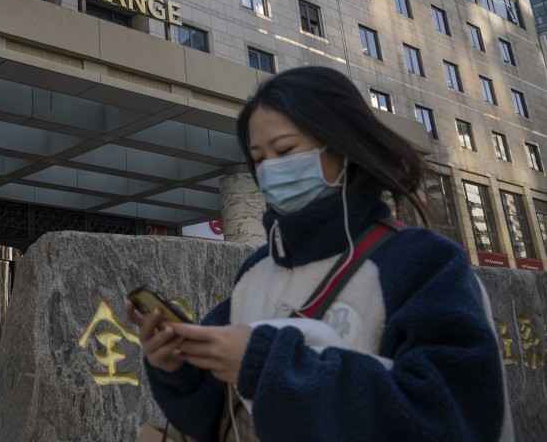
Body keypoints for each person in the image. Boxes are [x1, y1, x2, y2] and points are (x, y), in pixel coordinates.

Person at [125, 66, 512, 442]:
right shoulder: (256, 272)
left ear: (343, 147)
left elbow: (454, 415)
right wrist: (177, 369)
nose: (270, 170)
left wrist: (270, 366)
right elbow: (213, 416)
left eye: (285, 150)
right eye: (259, 159)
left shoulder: (424, 263)